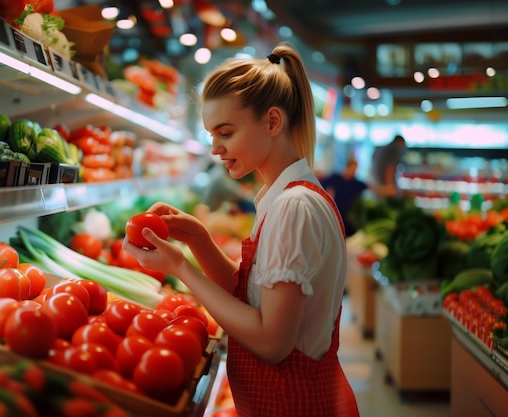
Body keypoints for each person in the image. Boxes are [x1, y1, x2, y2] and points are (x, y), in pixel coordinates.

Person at [122, 43, 359, 417]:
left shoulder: (294, 207)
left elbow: (271, 342)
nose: (215, 148)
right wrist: (199, 239)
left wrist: (182, 268)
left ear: (272, 122)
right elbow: (253, 297)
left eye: (226, 133)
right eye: (211, 135)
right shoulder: (282, 196)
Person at [320, 154, 368, 237]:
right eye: (353, 168)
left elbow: (371, 188)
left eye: (356, 169)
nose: (354, 171)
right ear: (347, 167)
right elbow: (319, 186)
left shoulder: (356, 183)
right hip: (333, 216)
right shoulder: (335, 178)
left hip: (348, 221)